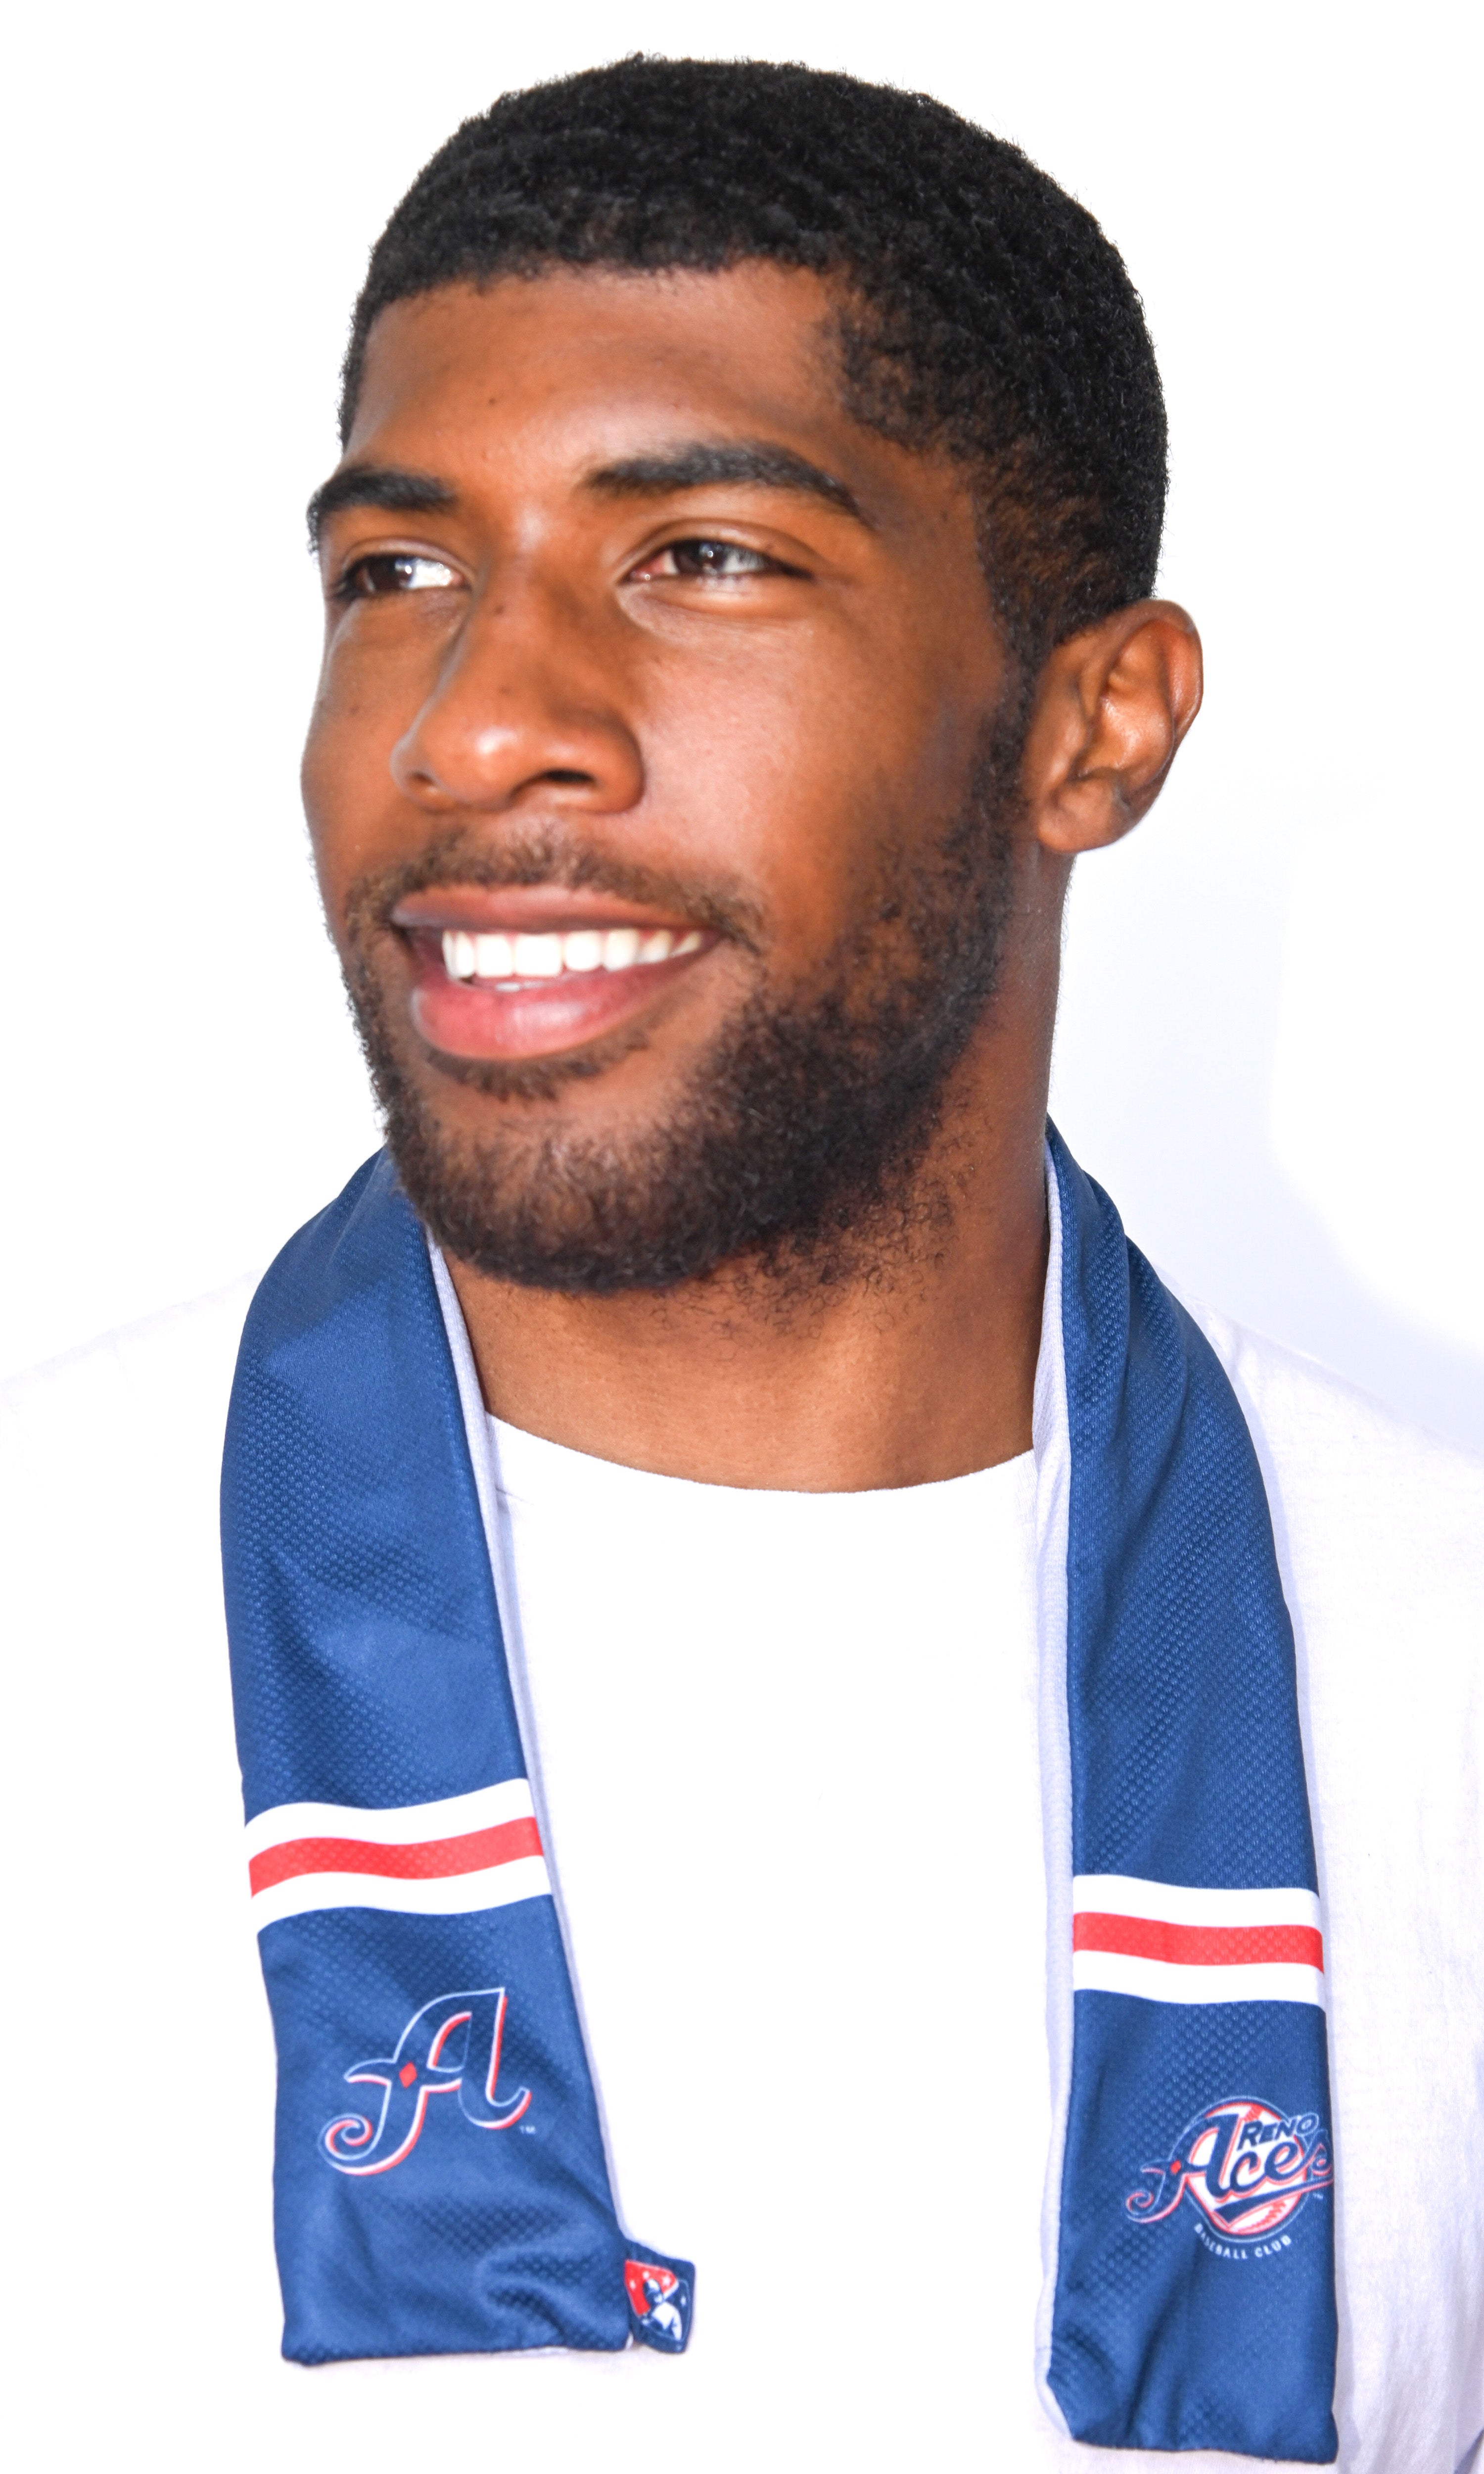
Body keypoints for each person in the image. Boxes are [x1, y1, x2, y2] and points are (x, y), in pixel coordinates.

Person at [3, 55, 1480, 2474]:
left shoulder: (1444, 1672)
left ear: (1098, 724)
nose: (480, 724)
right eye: (398, 575)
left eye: (700, 557)